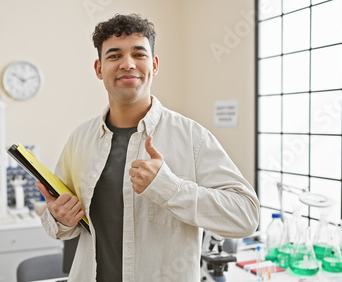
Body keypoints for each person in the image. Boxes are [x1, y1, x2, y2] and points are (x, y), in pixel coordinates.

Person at [37, 13, 260, 282]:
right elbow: (63, 225)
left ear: (154, 65)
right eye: (114, 56)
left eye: (139, 54)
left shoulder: (192, 137)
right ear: (99, 69)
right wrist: (60, 218)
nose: (127, 64)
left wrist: (170, 188)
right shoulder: (80, 139)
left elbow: (246, 216)